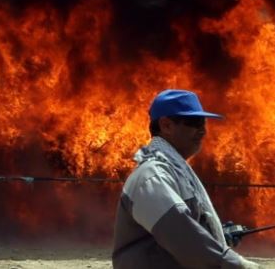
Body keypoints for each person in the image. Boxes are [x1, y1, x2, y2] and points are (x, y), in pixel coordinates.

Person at [112, 89, 261, 268]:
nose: (202, 131)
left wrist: (216, 233)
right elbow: (184, 238)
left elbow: (184, 229)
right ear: (166, 125)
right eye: (194, 122)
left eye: (203, 123)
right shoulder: (152, 177)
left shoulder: (175, 171)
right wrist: (239, 265)